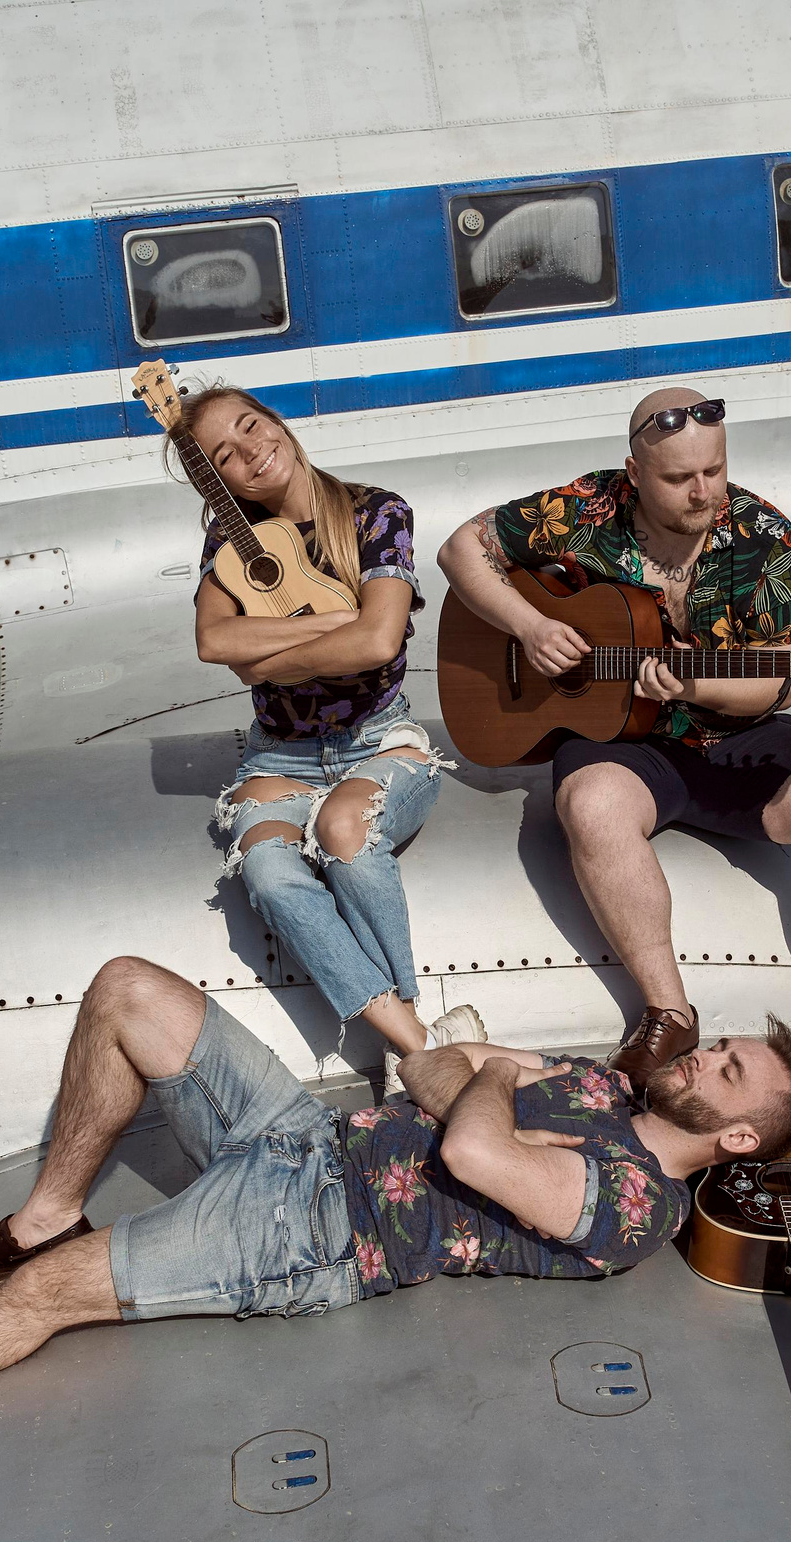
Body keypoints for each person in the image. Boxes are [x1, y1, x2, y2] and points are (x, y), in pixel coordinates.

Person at [0, 955, 791, 1438]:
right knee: (130, 990)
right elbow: (434, 1069)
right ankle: (50, 1206)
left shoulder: (632, 1206)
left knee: (51, 1301)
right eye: (718, 1043)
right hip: (308, 1135)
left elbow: (473, 1155)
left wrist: (480, 1083)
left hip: (315, 1233)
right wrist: (476, 1083)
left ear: (727, 1133)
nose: (701, 1051)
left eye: (725, 1071)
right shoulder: (602, 1095)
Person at [436, 386, 791, 1116]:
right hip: (623, 740)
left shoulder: (765, 537)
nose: (703, 490)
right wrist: (528, 627)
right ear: (635, 471)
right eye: (679, 479)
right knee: (589, 803)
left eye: (714, 470)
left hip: (737, 736)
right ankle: (669, 1014)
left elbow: (783, 681)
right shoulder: (587, 508)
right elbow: (461, 548)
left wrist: (699, 686)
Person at [178, 385, 482, 1073]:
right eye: (226, 455)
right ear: (215, 482)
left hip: (379, 741)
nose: (252, 452)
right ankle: (420, 1044)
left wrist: (270, 654)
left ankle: (411, 1037)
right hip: (277, 757)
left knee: (345, 830)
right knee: (268, 872)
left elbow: (376, 645)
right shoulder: (230, 538)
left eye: (253, 426)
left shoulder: (378, 512)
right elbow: (212, 640)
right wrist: (328, 624)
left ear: (277, 420)